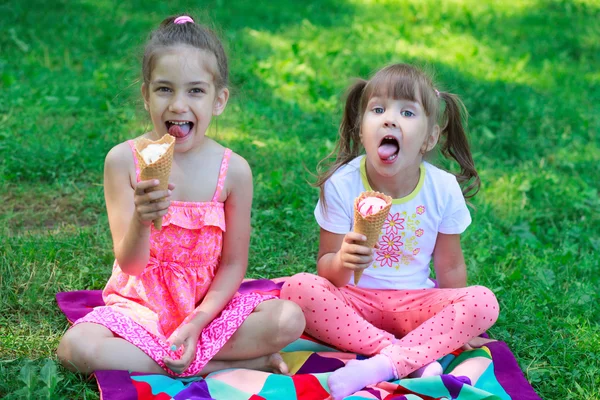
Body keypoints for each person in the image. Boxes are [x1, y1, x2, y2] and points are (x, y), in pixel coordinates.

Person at [57, 14, 305, 377]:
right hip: (139, 310)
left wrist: (198, 321)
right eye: (164, 89)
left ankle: (182, 353)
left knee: (289, 319)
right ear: (145, 95)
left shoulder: (233, 171)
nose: (177, 104)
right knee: (75, 347)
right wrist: (142, 220)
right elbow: (130, 266)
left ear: (219, 100)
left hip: (207, 310)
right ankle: (213, 365)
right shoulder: (123, 161)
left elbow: (234, 264)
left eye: (195, 90)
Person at [280, 63, 499, 399]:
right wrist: (343, 260)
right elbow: (326, 270)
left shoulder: (443, 189)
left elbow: (450, 268)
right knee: (298, 288)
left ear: (429, 138)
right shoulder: (343, 184)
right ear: (361, 128)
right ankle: (402, 356)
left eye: (407, 112)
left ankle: (383, 363)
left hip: (416, 304)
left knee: (483, 302)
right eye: (378, 109)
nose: (389, 119)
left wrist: (458, 325)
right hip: (354, 303)